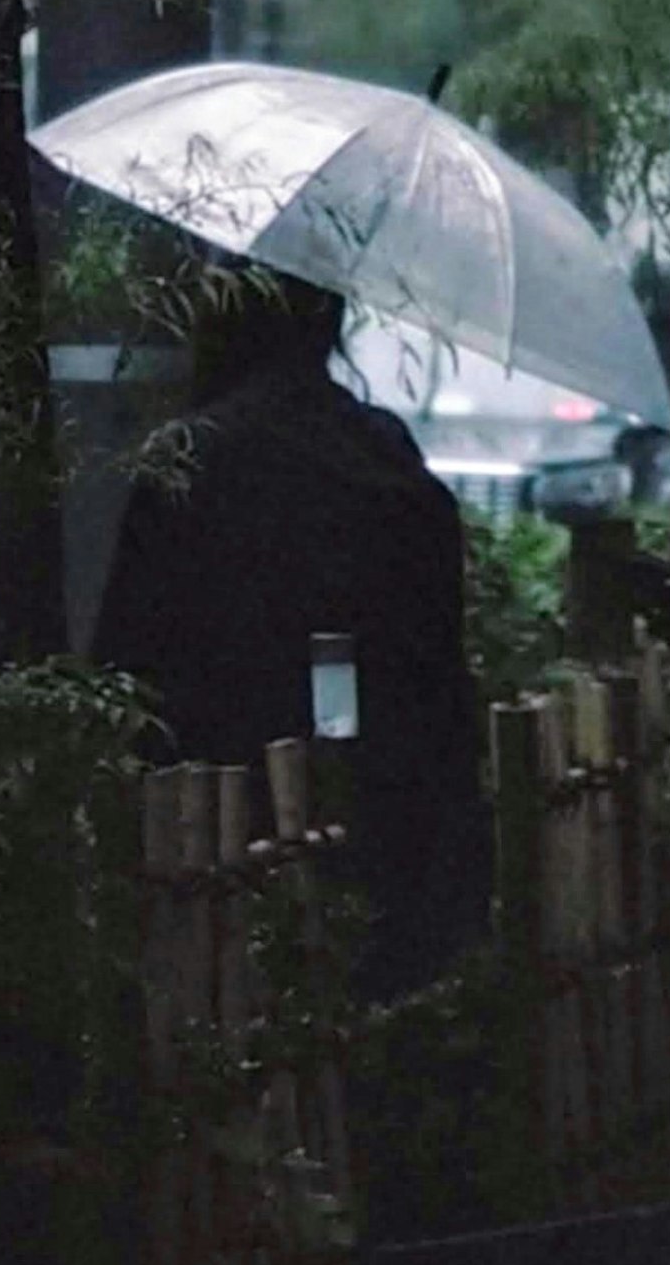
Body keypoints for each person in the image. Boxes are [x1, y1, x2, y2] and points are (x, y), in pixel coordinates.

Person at [90, 271, 492, 998]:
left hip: (218, 804)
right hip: (383, 794)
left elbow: (130, 661)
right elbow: (437, 658)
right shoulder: (382, 458)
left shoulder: (190, 459)